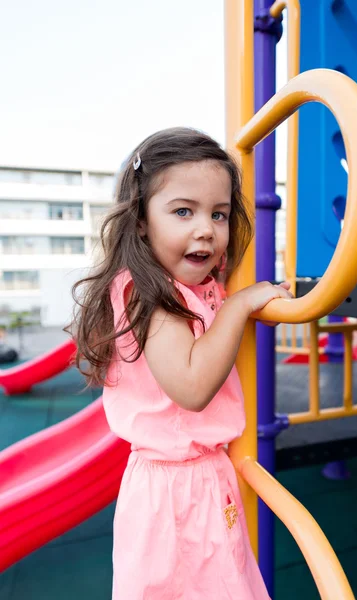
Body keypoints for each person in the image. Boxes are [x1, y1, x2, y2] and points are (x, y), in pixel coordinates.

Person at [69, 127, 292, 599]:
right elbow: (191, 388)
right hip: (172, 495)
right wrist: (239, 307)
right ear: (142, 221)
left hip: (203, 480)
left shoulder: (196, 287)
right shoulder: (148, 293)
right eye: (183, 211)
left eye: (219, 214)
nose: (206, 229)